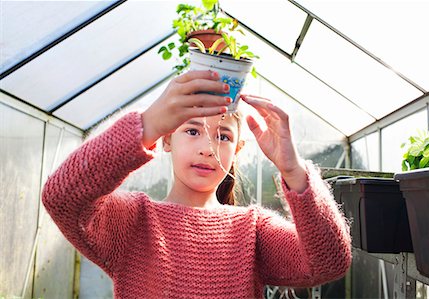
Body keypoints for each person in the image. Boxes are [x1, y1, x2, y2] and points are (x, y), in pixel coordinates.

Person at [42, 70, 352, 298]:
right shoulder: (133, 222)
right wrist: (145, 125)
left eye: (223, 136)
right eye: (192, 131)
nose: (207, 147)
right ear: (166, 139)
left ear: (237, 151)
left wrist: (293, 170)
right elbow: (61, 197)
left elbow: (330, 262)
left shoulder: (252, 228)